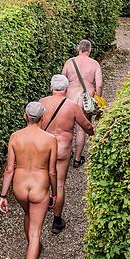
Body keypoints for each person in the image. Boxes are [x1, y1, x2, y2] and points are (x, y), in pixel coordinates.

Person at [0, 102, 58, 259]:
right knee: (35, 233)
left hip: (19, 186)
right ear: (42, 118)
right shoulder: (50, 139)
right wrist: (54, 193)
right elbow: (52, 171)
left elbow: (9, 169)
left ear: (25, 116)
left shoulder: (15, 137)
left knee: (27, 214)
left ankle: (32, 249)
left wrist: (3, 195)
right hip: (40, 186)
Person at [38, 75, 94, 233]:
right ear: (67, 89)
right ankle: (56, 221)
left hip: (44, 147)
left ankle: (39, 213)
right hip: (62, 150)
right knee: (60, 184)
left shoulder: (42, 102)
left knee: (43, 181)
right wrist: (95, 134)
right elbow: (87, 126)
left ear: (51, 88)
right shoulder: (72, 107)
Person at [61, 39, 102, 168]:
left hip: (70, 98)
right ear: (89, 50)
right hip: (85, 100)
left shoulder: (69, 62)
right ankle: (78, 159)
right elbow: (99, 85)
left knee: (67, 128)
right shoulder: (94, 64)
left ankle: (66, 154)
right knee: (80, 130)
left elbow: (62, 81)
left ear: (78, 49)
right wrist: (97, 99)